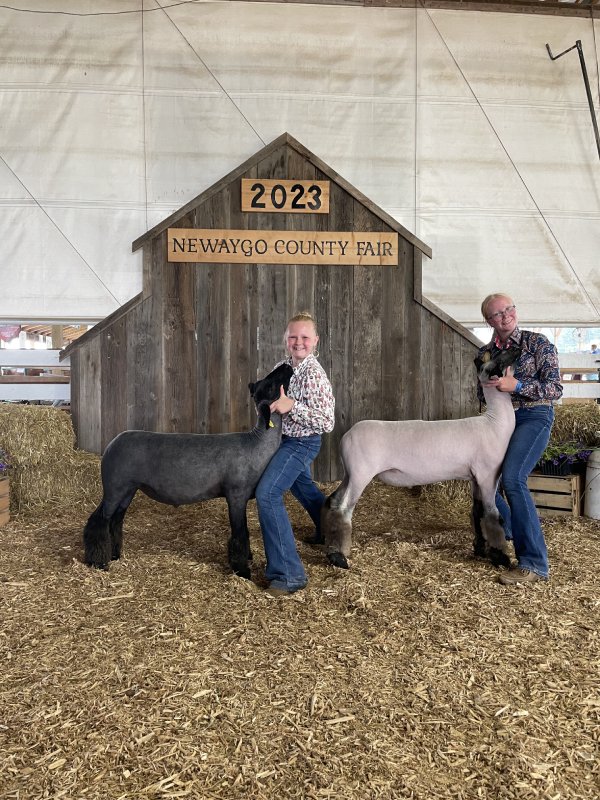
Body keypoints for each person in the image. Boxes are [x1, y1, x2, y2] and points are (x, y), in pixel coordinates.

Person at [477, 294, 562, 585]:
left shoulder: (537, 343)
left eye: (508, 309)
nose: (505, 315)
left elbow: (555, 389)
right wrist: (489, 386)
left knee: (513, 479)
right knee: (484, 481)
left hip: (533, 416)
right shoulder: (485, 353)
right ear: (489, 321)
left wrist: (518, 385)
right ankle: (506, 533)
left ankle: (534, 563)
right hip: (499, 422)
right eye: (497, 313)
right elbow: (481, 395)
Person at [255, 312, 335, 596]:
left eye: (304, 337)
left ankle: (289, 574)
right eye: (293, 337)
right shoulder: (282, 367)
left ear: (315, 341)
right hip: (282, 439)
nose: (298, 342)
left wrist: (292, 407)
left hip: (302, 442)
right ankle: (333, 532)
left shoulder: (315, 375)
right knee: (303, 488)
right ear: (285, 340)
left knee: (267, 494)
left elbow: (327, 422)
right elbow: (268, 397)